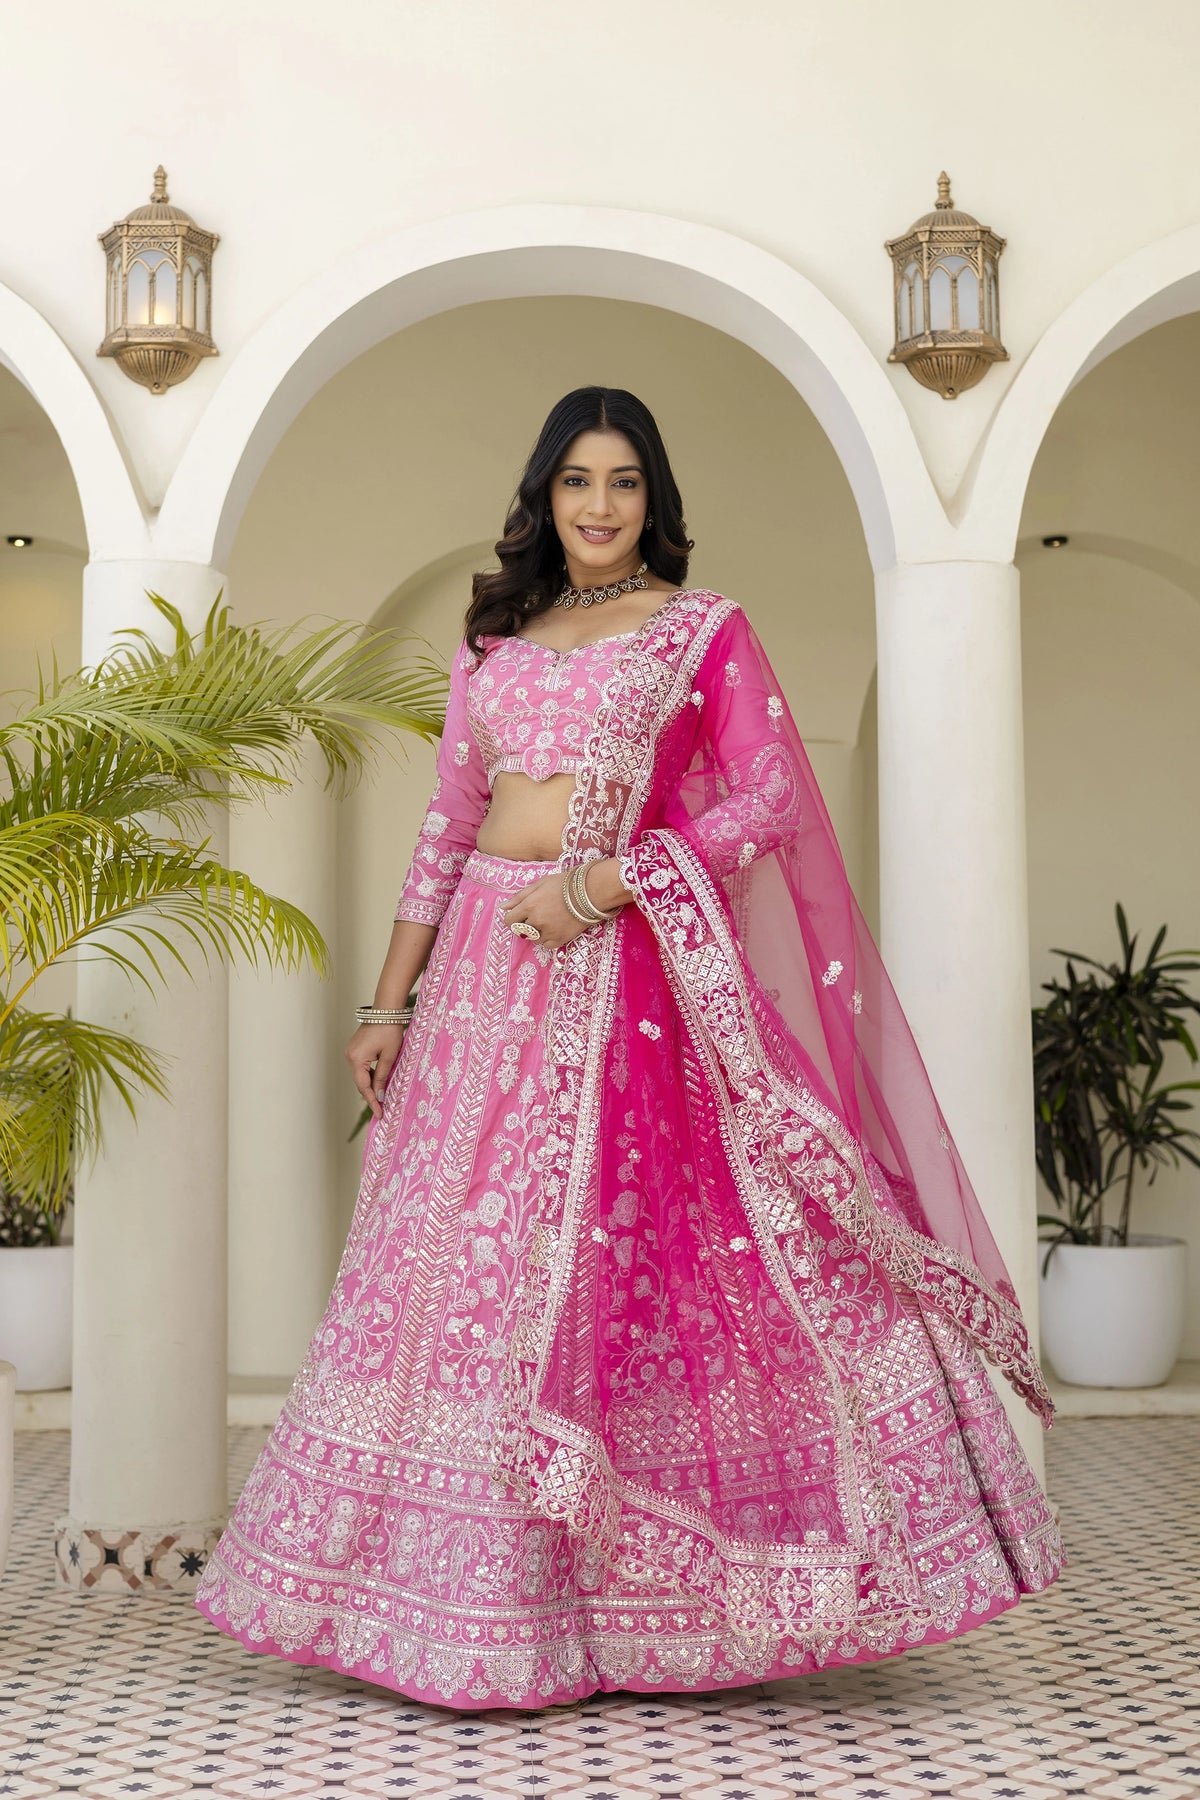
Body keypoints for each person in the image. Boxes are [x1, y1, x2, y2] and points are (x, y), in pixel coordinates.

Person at [196, 386, 1066, 1710]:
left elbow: (769, 799)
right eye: (576, 484)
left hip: (622, 979)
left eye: (623, 484)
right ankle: (446, 1606)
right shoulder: (494, 640)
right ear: (542, 498)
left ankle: (642, 1613)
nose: (599, 508)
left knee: (626, 1263)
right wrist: (388, 1005)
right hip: (486, 979)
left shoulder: (699, 632)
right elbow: (445, 827)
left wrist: (607, 886)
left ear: (653, 500)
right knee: (453, 1278)